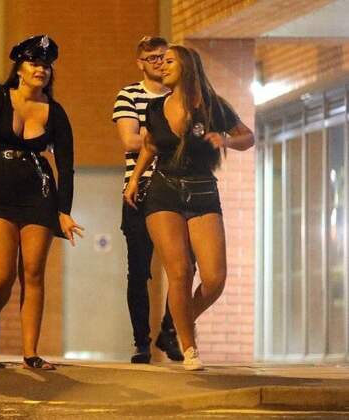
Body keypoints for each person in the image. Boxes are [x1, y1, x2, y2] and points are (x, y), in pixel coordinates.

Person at [123, 45, 254, 370]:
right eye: (160, 61)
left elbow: (248, 137)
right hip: (163, 191)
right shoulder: (155, 107)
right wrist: (135, 179)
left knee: (214, 278)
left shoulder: (213, 106)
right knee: (180, 271)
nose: (162, 66)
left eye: (169, 61)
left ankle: (177, 323)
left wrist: (226, 140)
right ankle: (189, 348)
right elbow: (150, 144)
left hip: (202, 191)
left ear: (187, 66)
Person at [0, 35, 83, 370]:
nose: (41, 70)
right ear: (19, 67)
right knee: (0, 276)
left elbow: (67, 165)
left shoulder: (55, 111)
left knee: (33, 273)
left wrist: (63, 211)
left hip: (39, 195)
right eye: (34, 63)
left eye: (46, 65)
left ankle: (30, 352)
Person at [113, 36, 183, 364]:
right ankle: (141, 342)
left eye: (163, 56)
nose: (158, 62)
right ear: (140, 63)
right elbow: (129, 141)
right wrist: (169, 135)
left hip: (177, 188)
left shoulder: (179, 95)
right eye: (152, 57)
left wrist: (154, 135)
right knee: (139, 270)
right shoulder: (129, 95)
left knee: (184, 265)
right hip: (139, 189)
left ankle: (169, 330)